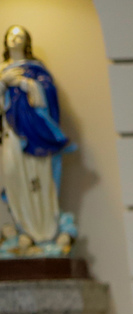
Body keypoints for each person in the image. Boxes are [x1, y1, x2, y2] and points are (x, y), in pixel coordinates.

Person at [0, 25, 73, 246]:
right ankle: (23, 226)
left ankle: (44, 229)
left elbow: (48, 97)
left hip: (34, 132)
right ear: (5, 40)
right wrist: (3, 83)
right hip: (10, 133)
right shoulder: (2, 70)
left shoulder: (36, 69)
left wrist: (23, 83)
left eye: (20, 35)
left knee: (39, 177)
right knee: (13, 175)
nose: (15, 39)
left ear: (27, 41)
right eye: (12, 35)